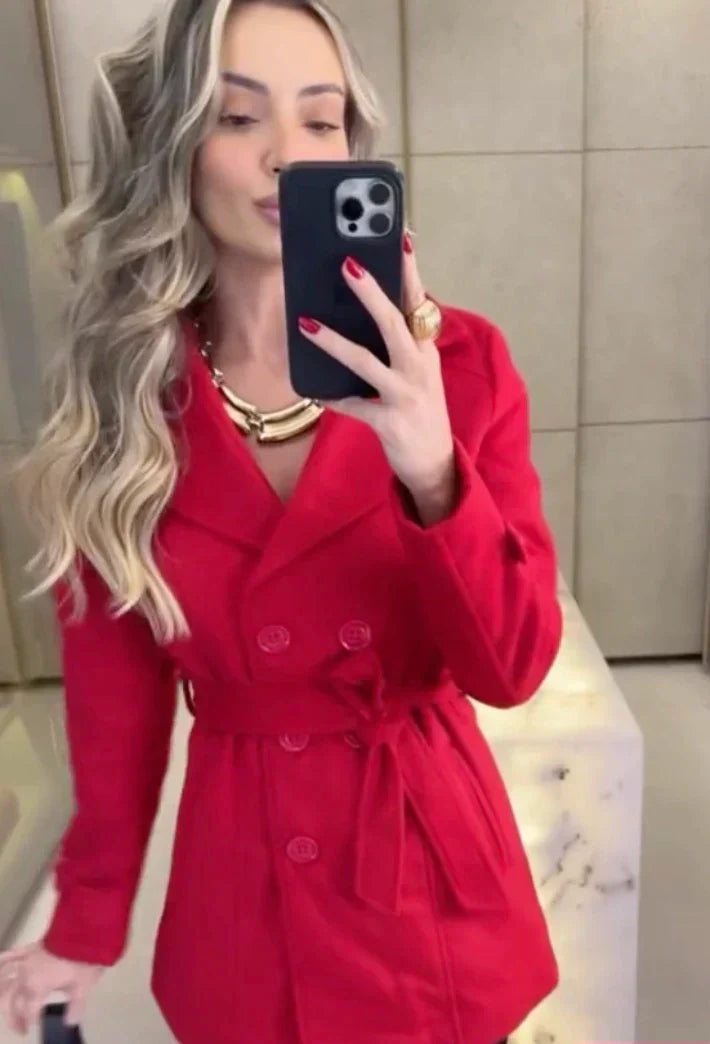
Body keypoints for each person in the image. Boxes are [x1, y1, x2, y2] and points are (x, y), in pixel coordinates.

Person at [0, 1, 563, 1041]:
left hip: (424, 879)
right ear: (172, 145)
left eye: (320, 119)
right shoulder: (124, 399)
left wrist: (429, 464)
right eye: (237, 116)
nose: (286, 157)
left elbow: (512, 666)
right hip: (246, 885)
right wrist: (85, 920)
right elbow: (114, 702)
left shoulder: (461, 364)